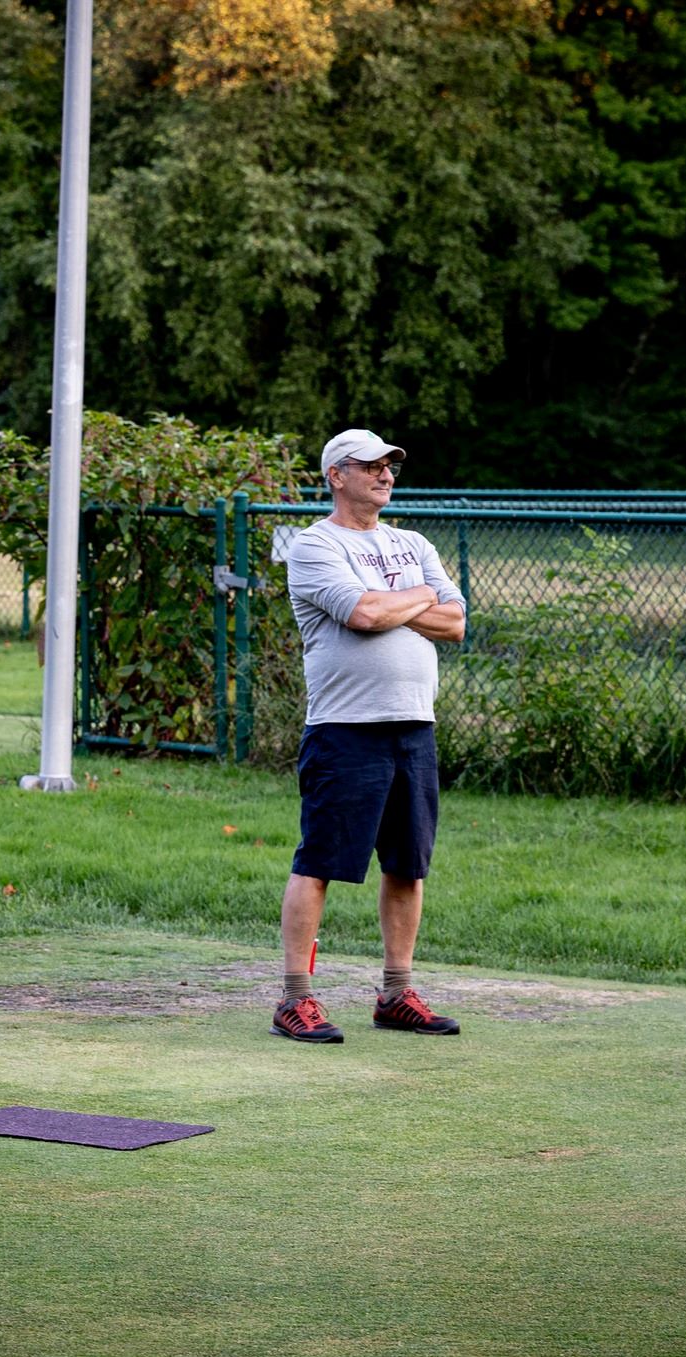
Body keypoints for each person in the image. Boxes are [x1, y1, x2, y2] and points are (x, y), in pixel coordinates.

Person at [272, 429, 468, 1044]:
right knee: (321, 863)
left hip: (414, 727)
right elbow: (362, 615)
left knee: (407, 868)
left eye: (391, 466)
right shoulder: (314, 546)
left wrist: (393, 602)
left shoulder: (412, 541)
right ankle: (294, 999)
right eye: (372, 466)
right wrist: (415, 600)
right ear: (337, 475)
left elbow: (456, 621)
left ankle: (395, 993)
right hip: (344, 731)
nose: (386, 475)